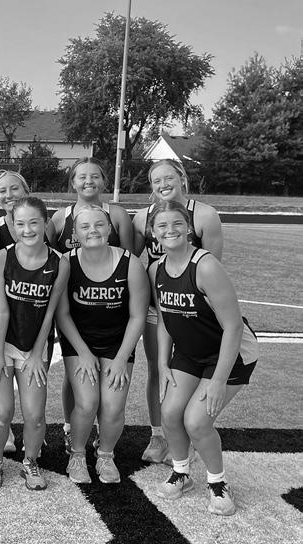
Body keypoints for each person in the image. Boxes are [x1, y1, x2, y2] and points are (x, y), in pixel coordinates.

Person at [149, 200, 257, 516]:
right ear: (153, 233)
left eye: (177, 224)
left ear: (189, 228)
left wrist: (219, 380)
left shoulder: (205, 266)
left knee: (196, 422)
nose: (170, 230)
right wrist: (162, 363)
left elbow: (234, 326)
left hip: (230, 353)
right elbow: (166, 318)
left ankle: (217, 483)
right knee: (170, 413)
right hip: (191, 352)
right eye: (162, 226)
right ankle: (181, 473)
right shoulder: (156, 269)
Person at [132, 159, 224, 464]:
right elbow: (129, 262)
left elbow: (211, 267)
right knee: (158, 369)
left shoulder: (205, 215)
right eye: (156, 181)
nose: (163, 185)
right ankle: (158, 434)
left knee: (191, 369)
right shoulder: (142, 218)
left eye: (168, 177)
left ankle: (189, 436)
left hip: (191, 309)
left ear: (182, 177)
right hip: (157, 308)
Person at [55, 206, 147, 485]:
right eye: (85, 226)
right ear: (75, 234)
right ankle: (77, 453)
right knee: (87, 402)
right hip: (79, 342)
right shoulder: (66, 262)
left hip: (117, 343)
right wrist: (83, 352)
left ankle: (105, 454)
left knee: (113, 405)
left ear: (109, 229)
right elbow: (62, 314)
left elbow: (138, 316)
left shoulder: (130, 263)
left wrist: (121, 359)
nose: (93, 230)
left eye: (99, 224)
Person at [47, 157, 134, 452]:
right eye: (81, 176)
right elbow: (51, 260)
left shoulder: (117, 214)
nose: (88, 181)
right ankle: (71, 429)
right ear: (72, 182)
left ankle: (101, 437)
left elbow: (129, 258)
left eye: (94, 175)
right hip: (74, 312)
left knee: (108, 394)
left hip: (111, 309)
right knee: (76, 378)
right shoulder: (60, 218)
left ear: (104, 180)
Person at [0, 196, 67, 491]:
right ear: (12, 224)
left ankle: (30, 462)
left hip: (34, 342)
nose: (27, 229)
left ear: (46, 223)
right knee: (3, 411)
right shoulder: (1, 258)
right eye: (20, 223)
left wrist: (36, 354)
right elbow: (1, 310)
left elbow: (50, 312)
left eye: (34, 222)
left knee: (35, 415)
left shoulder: (60, 262)